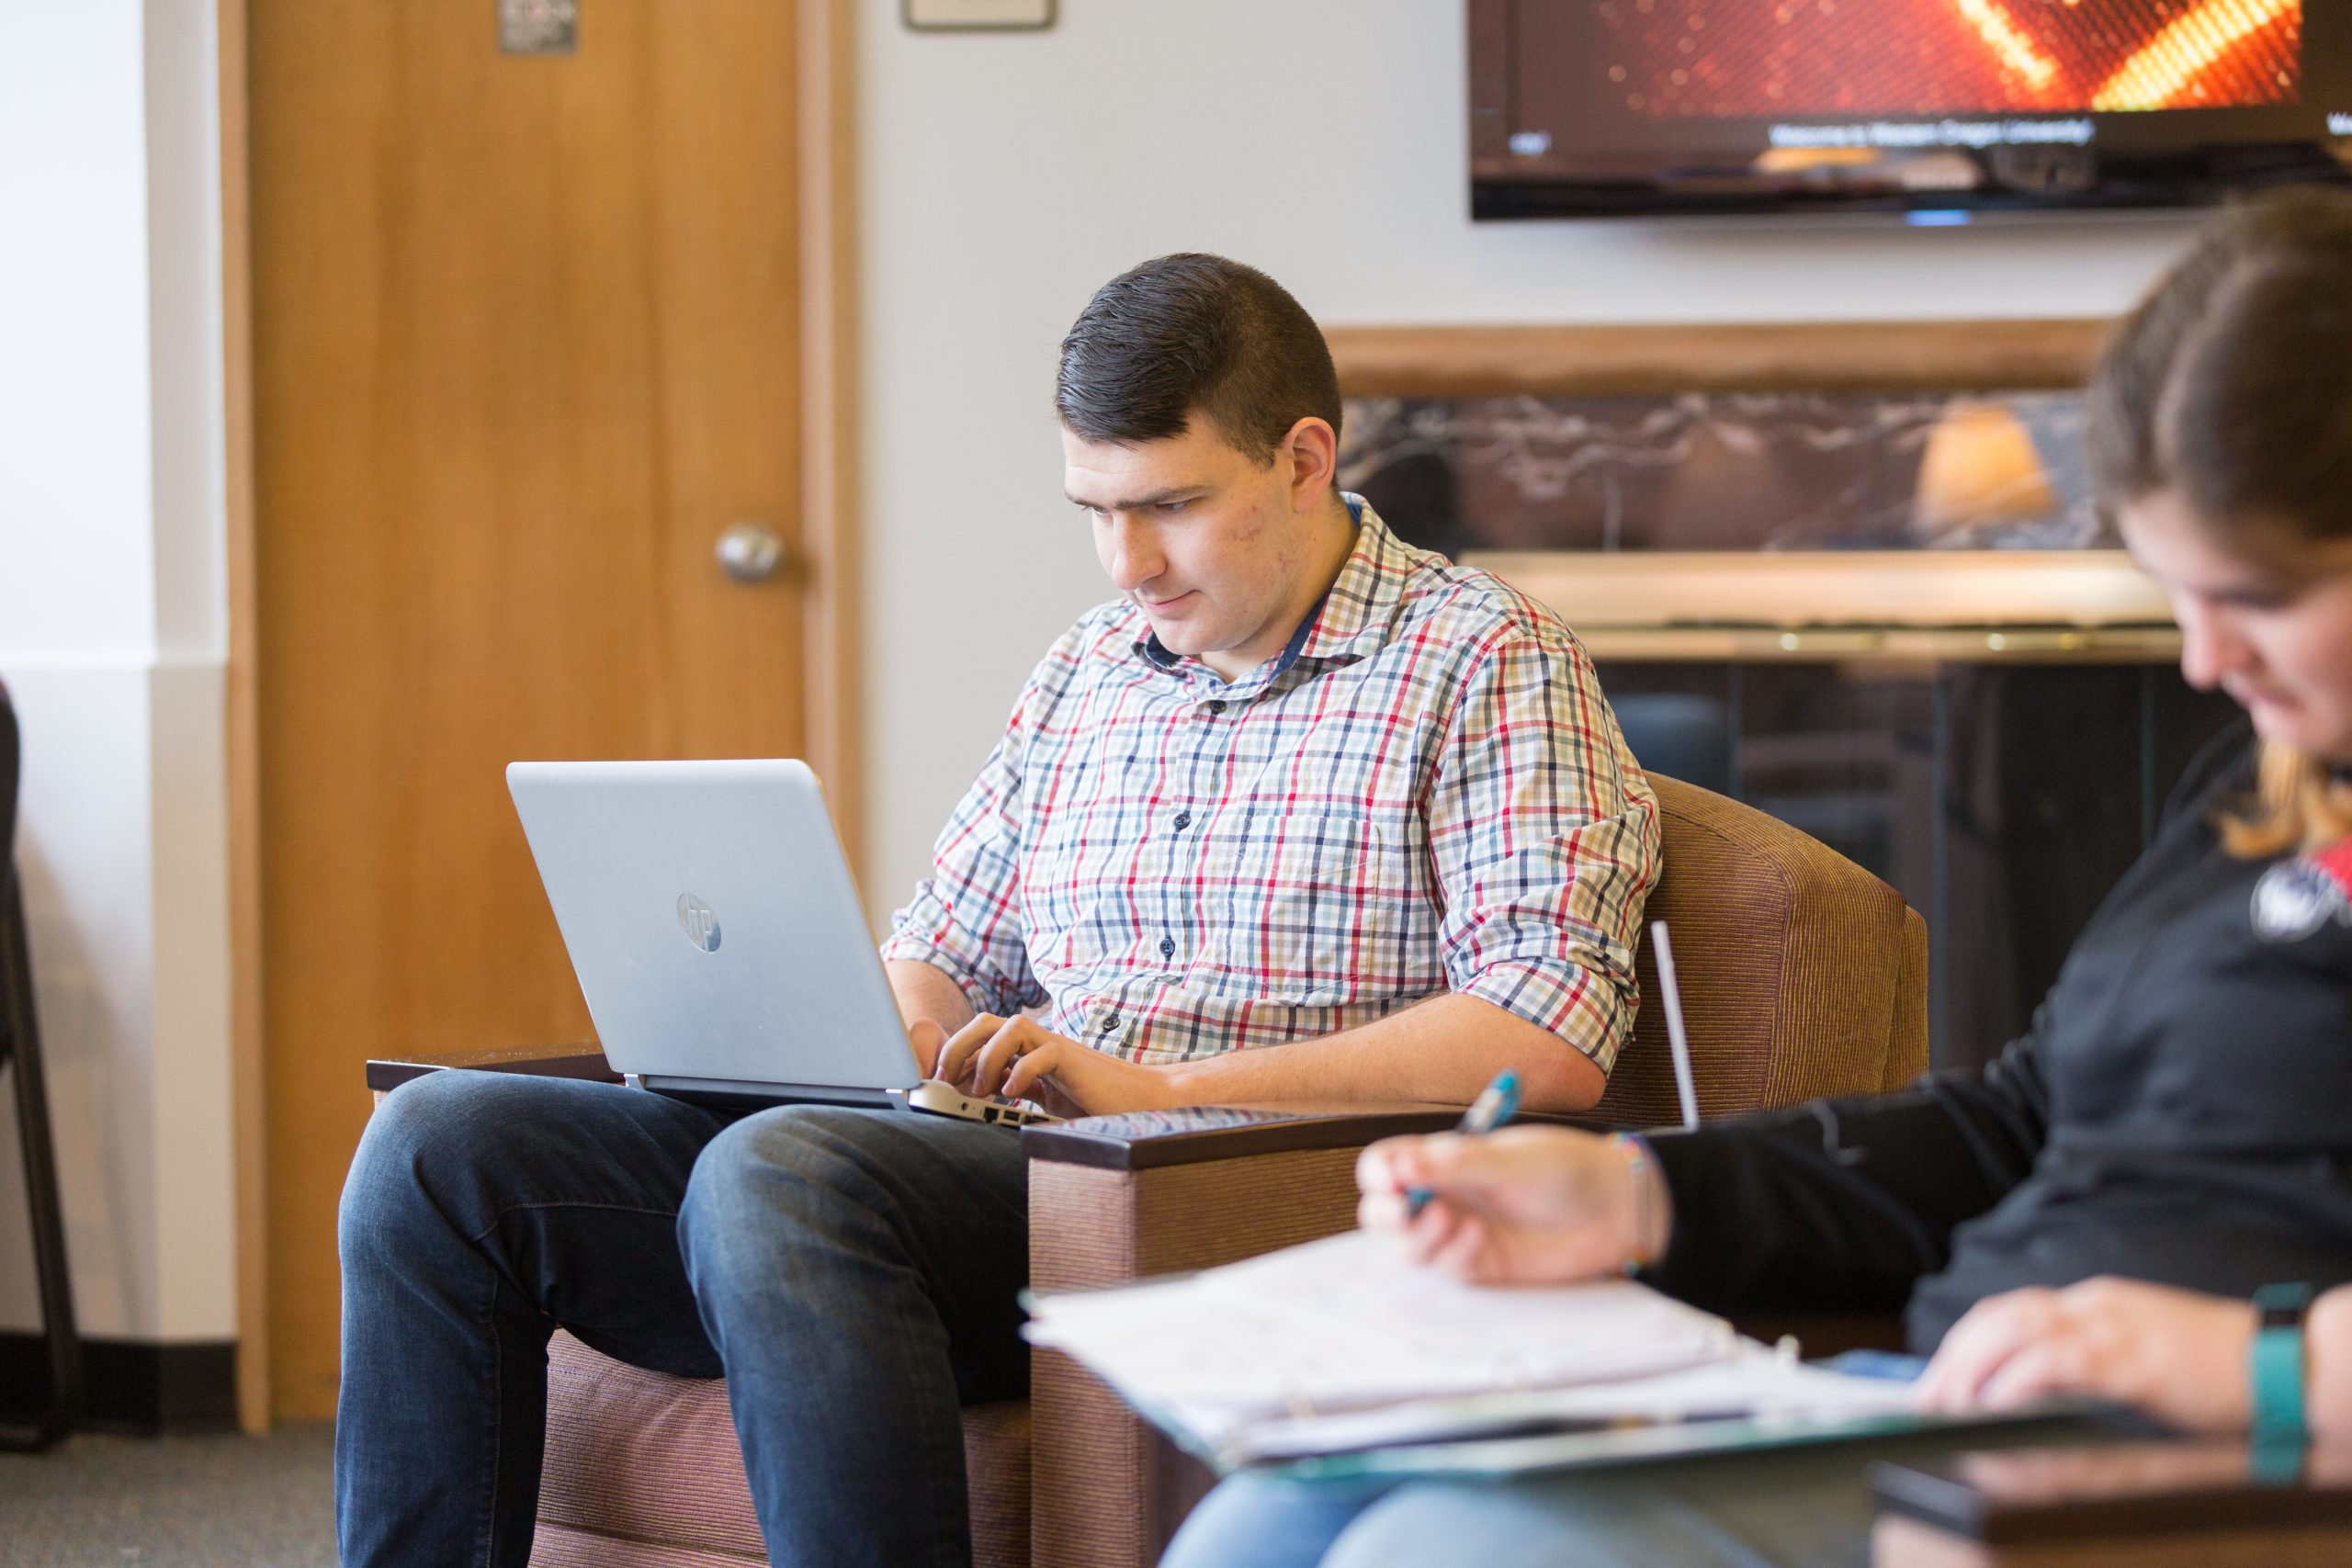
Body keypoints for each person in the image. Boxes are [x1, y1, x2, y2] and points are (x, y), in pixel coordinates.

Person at [334, 253, 1660, 1567]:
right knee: (441, 1147)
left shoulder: (1487, 660)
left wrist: (1149, 1090)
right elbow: (941, 954)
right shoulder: (1088, 670)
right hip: (993, 1179)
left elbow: (1544, 1034)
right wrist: (895, 1037)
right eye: (1095, 509)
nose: (1127, 559)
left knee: (780, 1173)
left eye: (1172, 505)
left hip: (1223, 1197)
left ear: (1306, 459)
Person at [1159, 191, 2352, 1568]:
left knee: (1429, 1553)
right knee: (1265, 1517)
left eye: (2256, 597)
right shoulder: (2268, 781)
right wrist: (1641, 1198)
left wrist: (2253, 1364)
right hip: (1951, 1407)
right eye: (2176, 595)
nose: (2206, 662)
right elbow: (2023, 1124)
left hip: (2210, 1478)